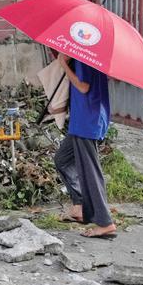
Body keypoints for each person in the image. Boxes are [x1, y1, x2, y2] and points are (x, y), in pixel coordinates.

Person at [54, 53, 117, 239]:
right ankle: (79, 206)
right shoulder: (91, 54)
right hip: (82, 120)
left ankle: (105, 223)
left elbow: (83, 87)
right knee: (62, 160)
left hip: (87, 122)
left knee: (90, 172)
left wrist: (63, 64)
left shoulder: (84, 56)